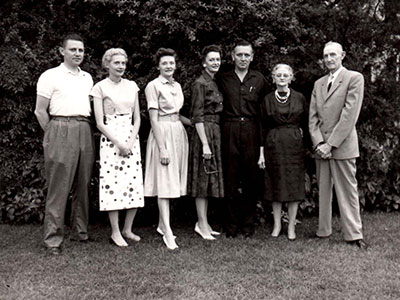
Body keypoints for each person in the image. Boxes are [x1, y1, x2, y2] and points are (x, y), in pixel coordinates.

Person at [34, 33, 95, 255]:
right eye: (73, 50)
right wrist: (52, 134)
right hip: (60, 127)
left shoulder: (87, 77)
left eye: (81, 50)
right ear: (62, 51)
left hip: (84, 127)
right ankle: (52, 240)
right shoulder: (50, 76)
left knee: (83, 183)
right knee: (59, 186)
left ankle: (80, 231)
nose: (78, 54)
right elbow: (40, 110)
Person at [309, 41, 368, 249]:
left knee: (347, 190)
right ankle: (323, 230)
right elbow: (313, 117)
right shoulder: (318, 84)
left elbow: (349, 116)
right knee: (323, 190)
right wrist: (319, 143)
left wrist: (330, 144)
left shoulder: (354, 78)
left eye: (333, 55)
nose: (329, 59)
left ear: (342, 55)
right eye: (325, 56)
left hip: (342, 146)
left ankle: (353, 234)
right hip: (321, 148)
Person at [90, 48, 144, 247]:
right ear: (107, 65)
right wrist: (119, 143)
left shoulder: (132, 86)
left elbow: (137, 117)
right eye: (116, 63)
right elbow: (99, 122)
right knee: (113, 184)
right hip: (111, 138)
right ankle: (115, 232)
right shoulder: (100, 88)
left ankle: (127, 229)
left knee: (133, 183)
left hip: (131, 136)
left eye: (123, 63)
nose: (120, 66)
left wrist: (129, 141)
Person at [216, 39, 268, 238]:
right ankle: (230, 224)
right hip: (229, 128)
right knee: (229, 177)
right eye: (240, 55)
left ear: (252, 57)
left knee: (250, 178)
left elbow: (263, 113)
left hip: (251, 129)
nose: (243, 58)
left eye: (247, 55)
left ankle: (247, 224)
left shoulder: (259, 79)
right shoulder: (223, 78)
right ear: (232, 56)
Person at [144, 48, 190, 250]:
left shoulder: (178, 86)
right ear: (158, 66)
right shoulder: (153, 86)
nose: (169, 66)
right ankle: (167, 231)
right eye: (165, 63)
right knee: (164, 181)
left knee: (173, 180)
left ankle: (163, 225)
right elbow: (153, 119)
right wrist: (162, 148)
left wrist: (195, 123)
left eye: (171, 63)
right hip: (162, 133)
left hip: (178, 133)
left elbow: (177, 114)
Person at [258, 64, 308, 241]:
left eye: (285, 75)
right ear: (273, 77)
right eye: (278, 75)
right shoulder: (267, 99)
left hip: (294, 146)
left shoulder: (300, 98)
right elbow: (262, 127)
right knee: (275, 184)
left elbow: (306, 123)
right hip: (273, 145)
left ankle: (292, 226)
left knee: (294, 185)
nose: (281, 78)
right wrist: (261, 153)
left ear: (291, 77)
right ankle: (277, 224)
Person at [188, 45, 224, 240]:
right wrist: (204, 144)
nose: (215, 63)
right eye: (211, 60)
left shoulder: (215, 82)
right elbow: (197, 115)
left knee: (210, 179)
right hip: (204, 133)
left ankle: (205, 223)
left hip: (215, 131)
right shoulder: (200, 83)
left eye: (218, 59)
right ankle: (201, 223)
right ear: (204, 62)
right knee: (202, 179)